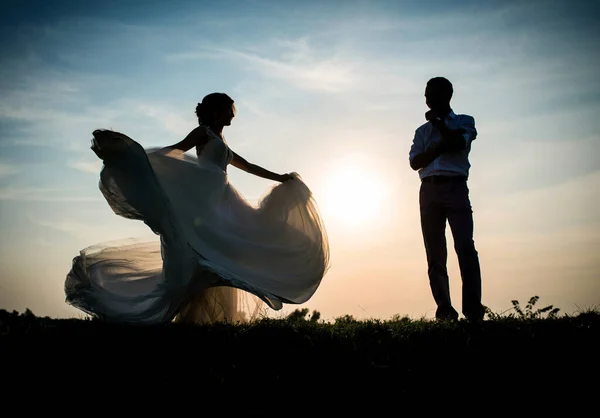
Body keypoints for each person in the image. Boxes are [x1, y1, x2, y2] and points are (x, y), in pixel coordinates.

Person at [65, 92, 330, 325]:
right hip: (203, 199)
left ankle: (206, 314)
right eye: (228, 109)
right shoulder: (203, 133)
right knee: (201, 250)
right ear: (216, 110)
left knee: (228, 251)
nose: (232, 114)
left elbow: (248, 166)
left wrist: (280, 177)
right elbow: (177, 150)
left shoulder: (222, 141)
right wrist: (138, 159)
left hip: (222, 201)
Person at [408, 77, 485, 322]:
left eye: (432, 94)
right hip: (428, 190)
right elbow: (414, 162)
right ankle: (445, 312)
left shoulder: (464, 121)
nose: (427, 100)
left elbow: (456, 142)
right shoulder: (421, 131)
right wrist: (441, 146)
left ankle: (473, 310)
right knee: (435, 253)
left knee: (465, 248)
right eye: (426, 95)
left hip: (456, 187)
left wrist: (440, 131)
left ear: (447, 95)